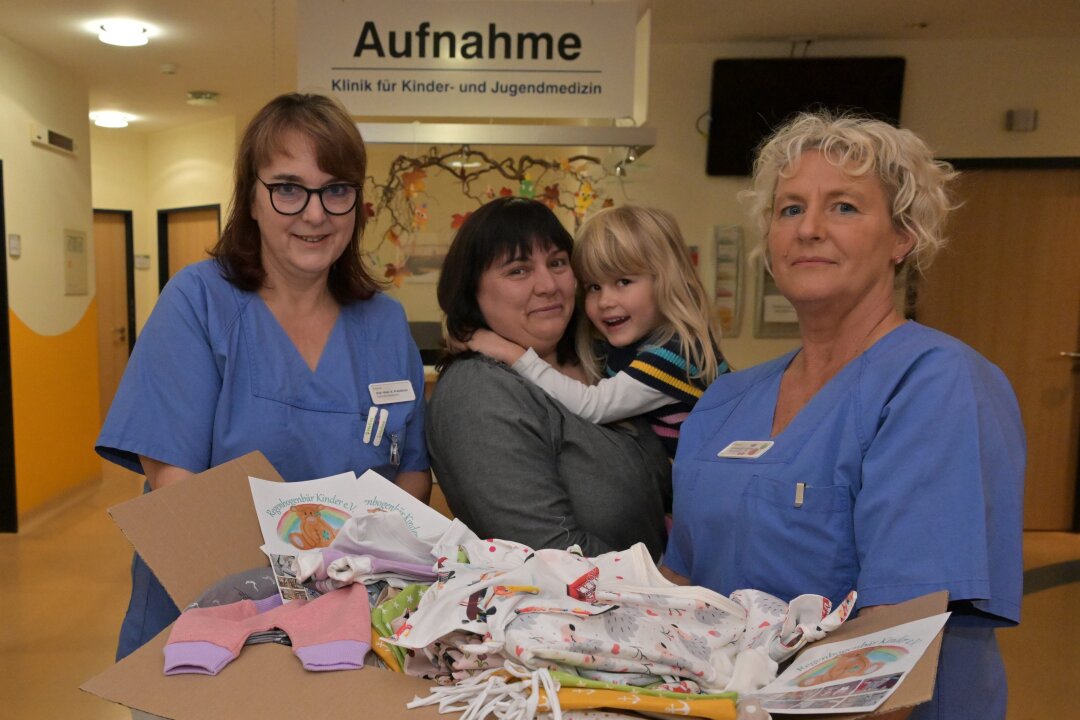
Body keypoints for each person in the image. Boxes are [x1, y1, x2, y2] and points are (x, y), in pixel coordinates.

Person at [662, 112, 1024, 720]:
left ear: (902, 237)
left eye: (845, 208)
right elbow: (683, 588)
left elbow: (892, 650)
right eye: (790, 209)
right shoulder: (723, 402)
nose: (809, 229)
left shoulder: (933, 385)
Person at [96, 93, 431, 660]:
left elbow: (412, 477)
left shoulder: (385, 322)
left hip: (349, 622)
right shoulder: (198, 303)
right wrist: (292, 592)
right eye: (288, 187)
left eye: (337, 189)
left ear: (357, 202)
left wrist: (341, 589)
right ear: (250, 198)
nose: (315, 213)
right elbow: (173, 482)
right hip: (210, 619)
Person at [426, 196, 671, 558]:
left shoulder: (607, 360)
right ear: (471, 291)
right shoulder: (478, 393)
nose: (548, 285)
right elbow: (549, 552)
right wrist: (665, 583)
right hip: (583, 607)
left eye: (557, 263)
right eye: (518, 270)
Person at [462, 205, 729, 458]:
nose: (605, 302)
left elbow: (593, 406)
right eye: (593, 287)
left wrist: (513, 354)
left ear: (668, 282)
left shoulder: (675, 353)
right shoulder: (628, 347)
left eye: (624, 281)